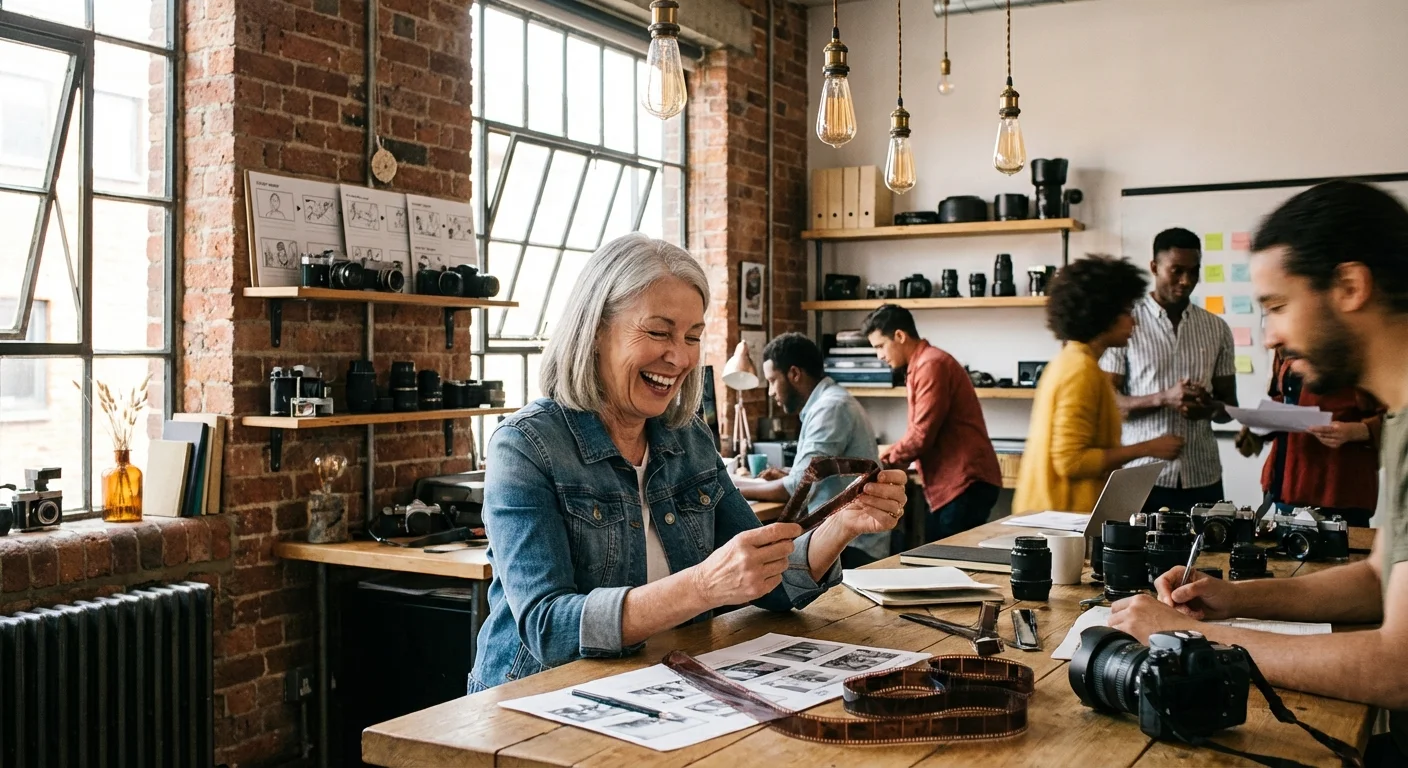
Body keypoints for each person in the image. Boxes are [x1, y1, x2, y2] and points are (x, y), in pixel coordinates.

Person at [468, 234, 909, 691]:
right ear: (595, 330)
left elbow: (769, 581)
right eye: (658, 332)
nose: (679, 357)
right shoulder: (524, 447)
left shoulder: (688, 438)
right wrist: (703, 586)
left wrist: (843, 523)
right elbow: (549, 628)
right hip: (535, 704)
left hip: (661, 688)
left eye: (693, 336)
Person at [1109, 181, 1408, 765]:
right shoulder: (1399, 422)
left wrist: (1194, 639)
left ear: (1350, 287)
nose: (1270, 334)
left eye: (1277, 306)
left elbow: (1399, 667)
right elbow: (1379, 579)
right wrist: (1234, 599)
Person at [1014, 256, 1184, 514]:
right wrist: (1148, 448)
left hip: (1059, 519)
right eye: (1127, 312)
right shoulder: (1080, 371)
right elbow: (1071, 462)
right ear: (1102, 314)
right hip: (1060, 521)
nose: (1134, 322)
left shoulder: (1074, 363)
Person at [1101, 228, 1239, 513]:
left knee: (1206, 558)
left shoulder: (1217, 329)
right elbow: (1108, 403)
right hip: (1140, 475)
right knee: (1136, 557)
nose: (1186, 281)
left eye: (1194, 271)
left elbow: (1229, 408)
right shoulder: (1125, 324)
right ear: (1154, 267)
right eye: (1176, 270)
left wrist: (1208, 407)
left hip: (1203, 476)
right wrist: (1164, 398)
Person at [734, 333, 885, 567]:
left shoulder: (830, 408)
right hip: (842, 538)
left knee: (756, 569)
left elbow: (797, 487)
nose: (771, 392)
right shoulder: (829, 402)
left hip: (852, 547)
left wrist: (732, 487)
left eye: (773, 381)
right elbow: (816, 474)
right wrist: (789, 472)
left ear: (794, 374)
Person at [859, 305, 1003, 541]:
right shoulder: (922, 364)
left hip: (963, 483)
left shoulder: (930, 364)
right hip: (957, 484)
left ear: (900, 336)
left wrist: (881, 458)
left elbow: (920, 436)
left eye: (880, 346)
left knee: (947, 564)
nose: (879, 356)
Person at [1235, 349, 1384, 526]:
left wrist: (1360, 430)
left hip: (1339, 490)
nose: (1269, 340)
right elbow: (1285, 398)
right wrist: (1260, 424)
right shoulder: (1286, 338)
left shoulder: (1363, 341)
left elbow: (1399, 416)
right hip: (1286, 485)